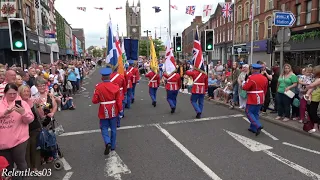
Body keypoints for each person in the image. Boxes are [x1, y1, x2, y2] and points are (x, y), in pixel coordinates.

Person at [92, 68, 122, 155]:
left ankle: (107, 142)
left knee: (104, 128)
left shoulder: (98, 87)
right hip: (113, 109)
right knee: (113, 128)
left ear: (102, 77)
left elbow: (94, 101)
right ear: (109, 76)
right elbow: (119, 101)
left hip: (103, 109)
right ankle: (112, 146)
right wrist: (120, 110)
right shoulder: (115, 86)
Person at [242, 64, 268, 136]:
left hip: (253, 97)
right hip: (261, 96)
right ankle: (253, 128)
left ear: (253, 69)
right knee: (256, 113)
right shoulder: (264, 78)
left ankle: (257, 125)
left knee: (248, 112)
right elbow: (265, 89)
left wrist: (243, 84)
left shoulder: (251, 77)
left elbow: (245, 87)